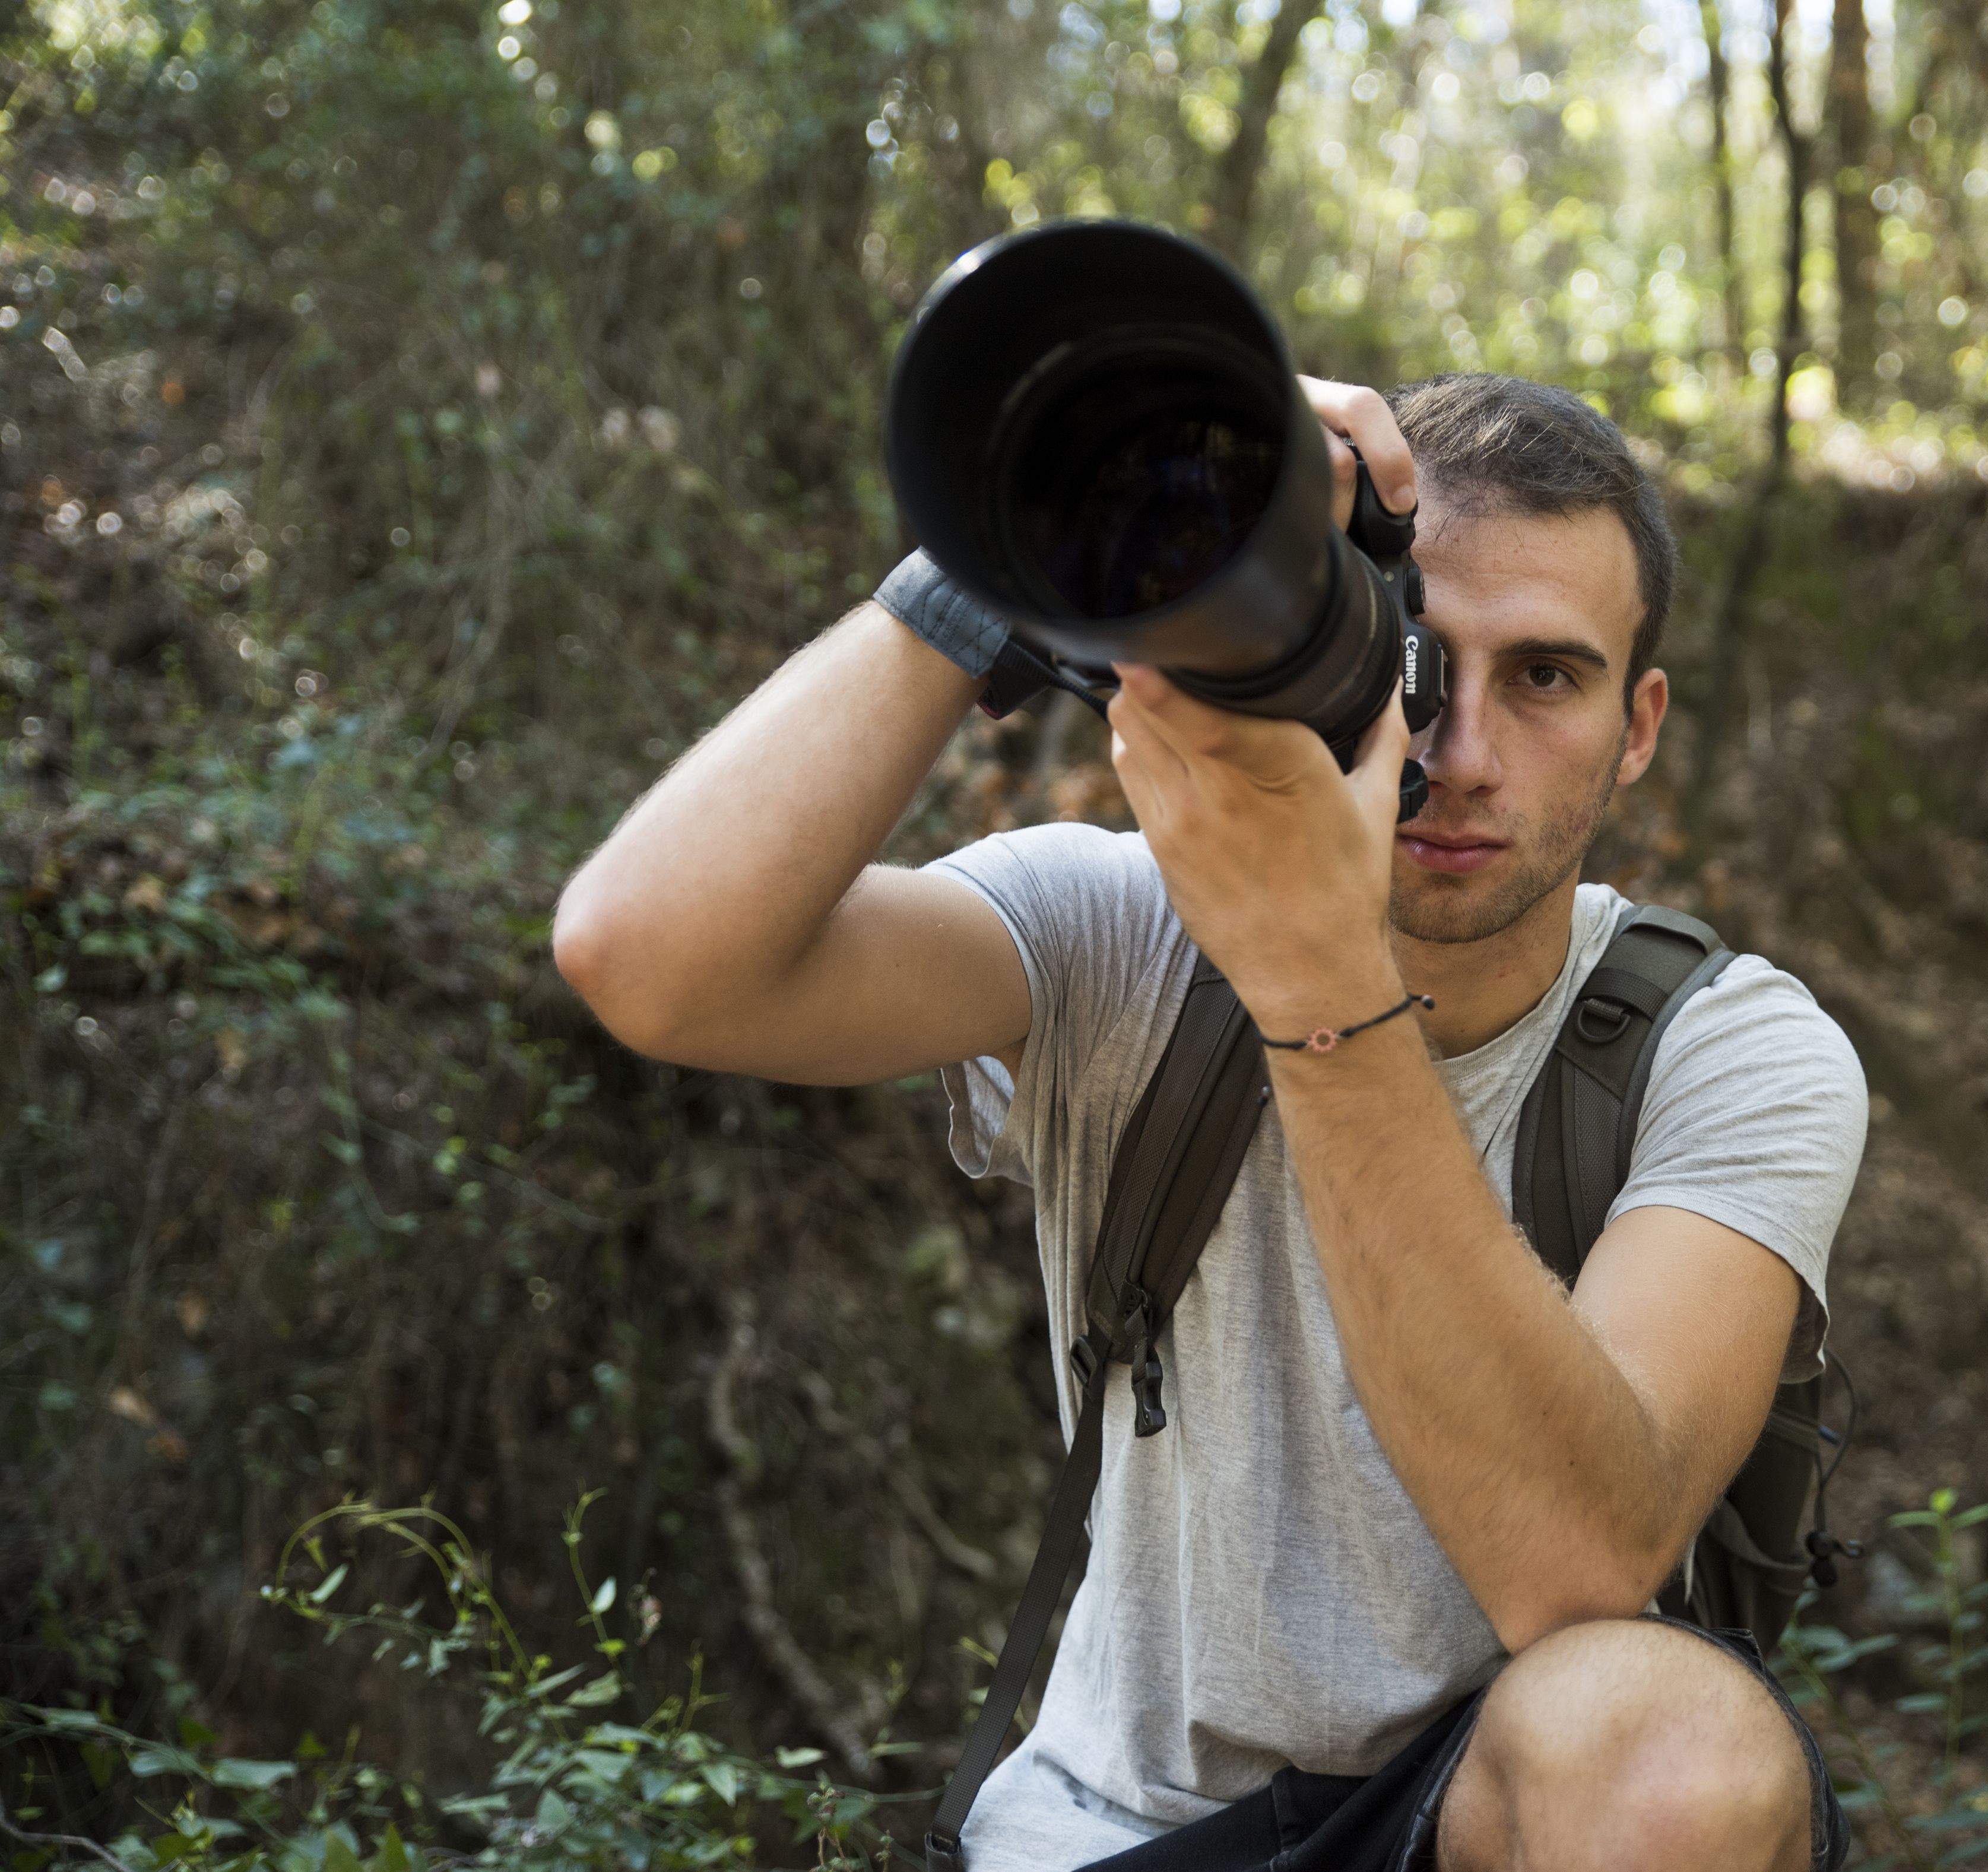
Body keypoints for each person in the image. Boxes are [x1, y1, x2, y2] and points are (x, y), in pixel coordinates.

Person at [552, 370, 1870, 1872]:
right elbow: (650, 960)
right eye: (1414, 659)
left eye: (1546, 678)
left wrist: (1317, 973)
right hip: (1101, 1828)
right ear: (1311, 645)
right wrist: (1010, 555)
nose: (1459, 751)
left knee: (1670, 1756)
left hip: (1481, 1822)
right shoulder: (1126, 932)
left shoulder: (1728, 1046)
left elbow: (1575, 1562)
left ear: (1637, 728)